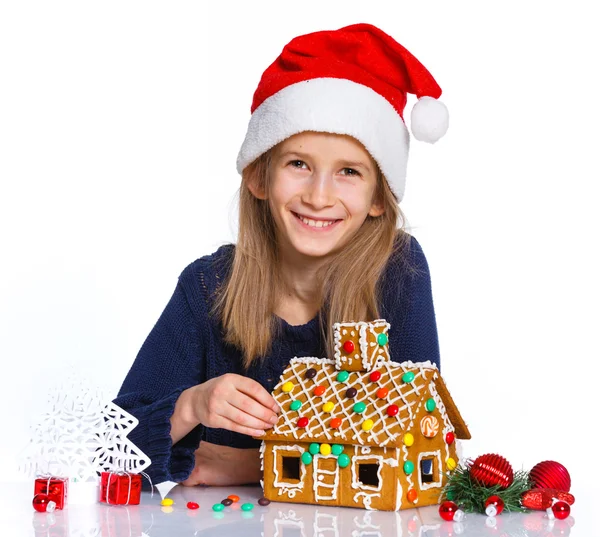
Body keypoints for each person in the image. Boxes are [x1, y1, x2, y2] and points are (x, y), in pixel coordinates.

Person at [114, 22, 450, 488]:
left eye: (349, 171)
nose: (318, 195)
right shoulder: (208, 287)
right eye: (298, 164)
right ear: (258, 177)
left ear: (379, 197)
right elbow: (111, 452)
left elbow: (423, 445)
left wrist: (241, 465)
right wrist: (191, 405)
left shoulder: (397, 272)